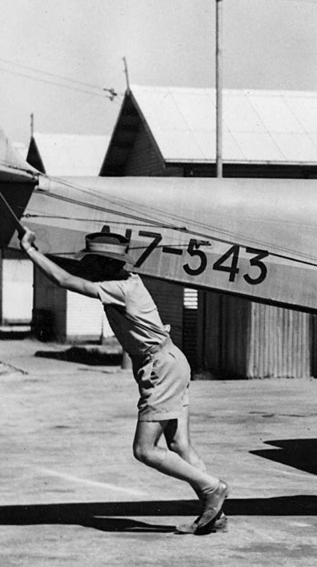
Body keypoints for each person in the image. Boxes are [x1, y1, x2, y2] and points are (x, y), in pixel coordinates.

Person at [20, 228, 230, 534]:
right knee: (179, 443)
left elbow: (66, 280)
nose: (88, 267)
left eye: (92, 261)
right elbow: (75, 273)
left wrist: (29, 250)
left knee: (145, 450)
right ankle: (215, 511)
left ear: (104, 264)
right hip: (171, 361)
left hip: (161, 368)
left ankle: (213, 487)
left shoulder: (121, 288)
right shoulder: (126, 281)